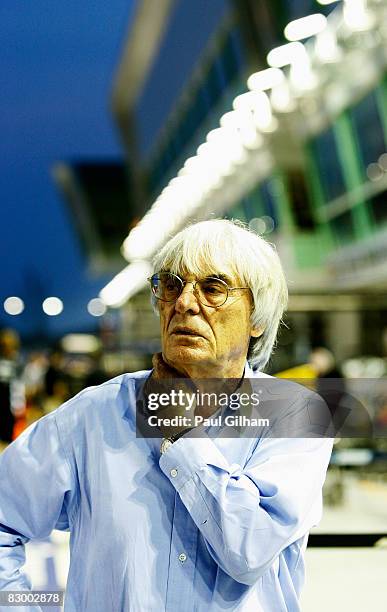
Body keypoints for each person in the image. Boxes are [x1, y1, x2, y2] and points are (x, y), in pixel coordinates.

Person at [0, 219, 333, 611]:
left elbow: (249, 549)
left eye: (213, 289)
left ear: (257, 318)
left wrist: (181, 428)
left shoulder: (296, 416)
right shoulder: (94, 415)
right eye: (172, 285)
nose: (185, 303)